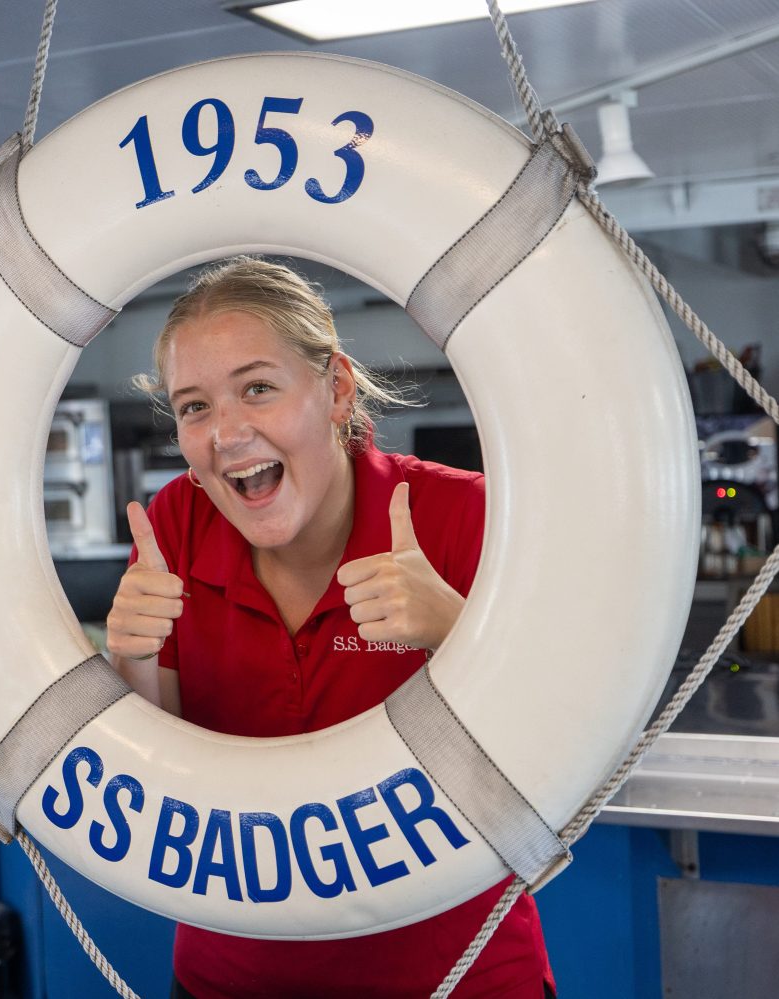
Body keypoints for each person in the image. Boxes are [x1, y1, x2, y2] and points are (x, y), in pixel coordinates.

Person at [106, 257, 556, 999]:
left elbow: (564, 741)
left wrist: (453, 628)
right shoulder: (172, 527)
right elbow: (157, 785)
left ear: (336, 388)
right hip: (227, 980)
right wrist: (131, 661)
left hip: (458, 978)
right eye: (192, 406)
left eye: (257, 388)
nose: (224, 432)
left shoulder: (465, 517)